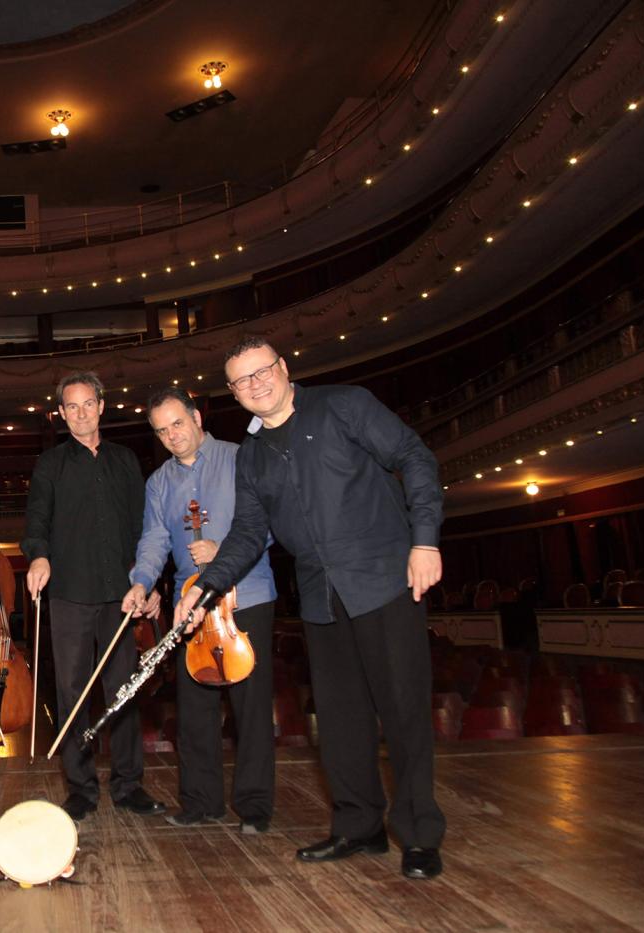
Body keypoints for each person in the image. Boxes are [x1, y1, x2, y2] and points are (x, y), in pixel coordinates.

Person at [178, 336, 446, 880]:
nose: (255, 385)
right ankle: (359, 826)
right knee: (340, 720)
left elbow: (414, 456)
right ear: (233, 393)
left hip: (383, 580)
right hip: (320, 597)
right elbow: (250, 532)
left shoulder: (346, 404)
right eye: (241, 381)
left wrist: (425, 540)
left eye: (262, 371)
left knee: (403, 712)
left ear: (284, 367)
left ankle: (419, 834)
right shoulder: (251, 456)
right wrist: (205, 589)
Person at [121, 386, 277, 831]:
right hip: (190, 608)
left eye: (177, 423)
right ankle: (201, 802)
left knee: (250, 708)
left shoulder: (240, 458)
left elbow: (266, 526)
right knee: (195, 709)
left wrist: (223, 550)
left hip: (246, 597)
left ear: (195, 418)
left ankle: (254, 807)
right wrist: (140, 582)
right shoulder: (159, 483)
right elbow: (154, 541)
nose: (172, 435)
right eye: (162, 431)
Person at [23, 371, 166, 821]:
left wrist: (151, 579)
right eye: (72, 406)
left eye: (89, 404)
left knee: (124, 689)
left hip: (122, 596)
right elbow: (35, 523)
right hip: (68, 594)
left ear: (101, 407)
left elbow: (145, 529)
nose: (81, 413)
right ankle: (81, 788)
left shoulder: (125, 461)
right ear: (61, 414)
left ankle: (128, 785)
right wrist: (39, 557)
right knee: (71, 693)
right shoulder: (50, 464)